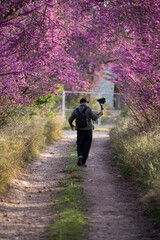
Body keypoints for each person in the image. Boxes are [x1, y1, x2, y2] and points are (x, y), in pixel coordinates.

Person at [68, 97, 103, 167]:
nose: (86, 103)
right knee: (86, 146)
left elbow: (70, 119)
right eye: (86, 102)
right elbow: (95, 118)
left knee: (79, 144)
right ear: (84, 103)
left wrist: (71, 125)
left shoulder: (76, 110)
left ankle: (80, 155)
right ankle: (83, 162)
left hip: (80, 130)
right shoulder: (88, 109)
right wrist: (100, 113)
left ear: (80, 103)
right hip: (88, 130)